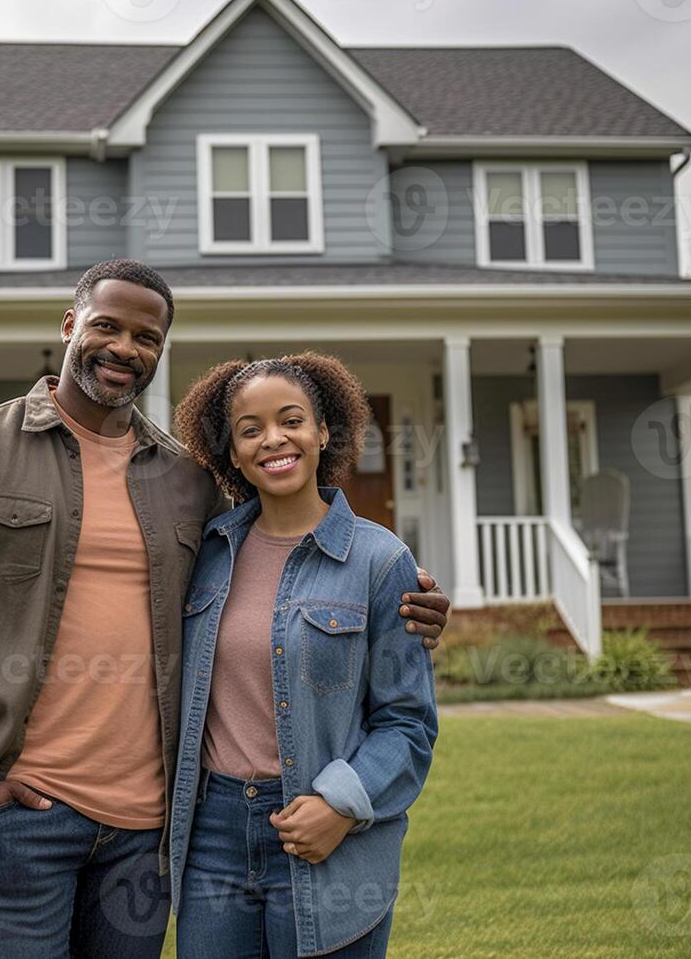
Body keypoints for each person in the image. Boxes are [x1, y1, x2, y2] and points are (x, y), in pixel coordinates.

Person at [0, 259, 449, 958]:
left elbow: (297, 569)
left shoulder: (184, 482)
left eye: (146, 336)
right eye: (106, 325)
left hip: (148, 832)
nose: (123, 347)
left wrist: (411, 606)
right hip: (16, 816)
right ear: (69, 326)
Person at [169, 353, 439, 958]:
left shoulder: (380, 560)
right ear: (232, 454)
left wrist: (342, 804)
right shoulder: (205, 555)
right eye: (250, 430)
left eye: (291, 420)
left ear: (322, 431)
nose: (274, 440)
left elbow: (408, 722)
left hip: (323, 833)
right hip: (211, 838)